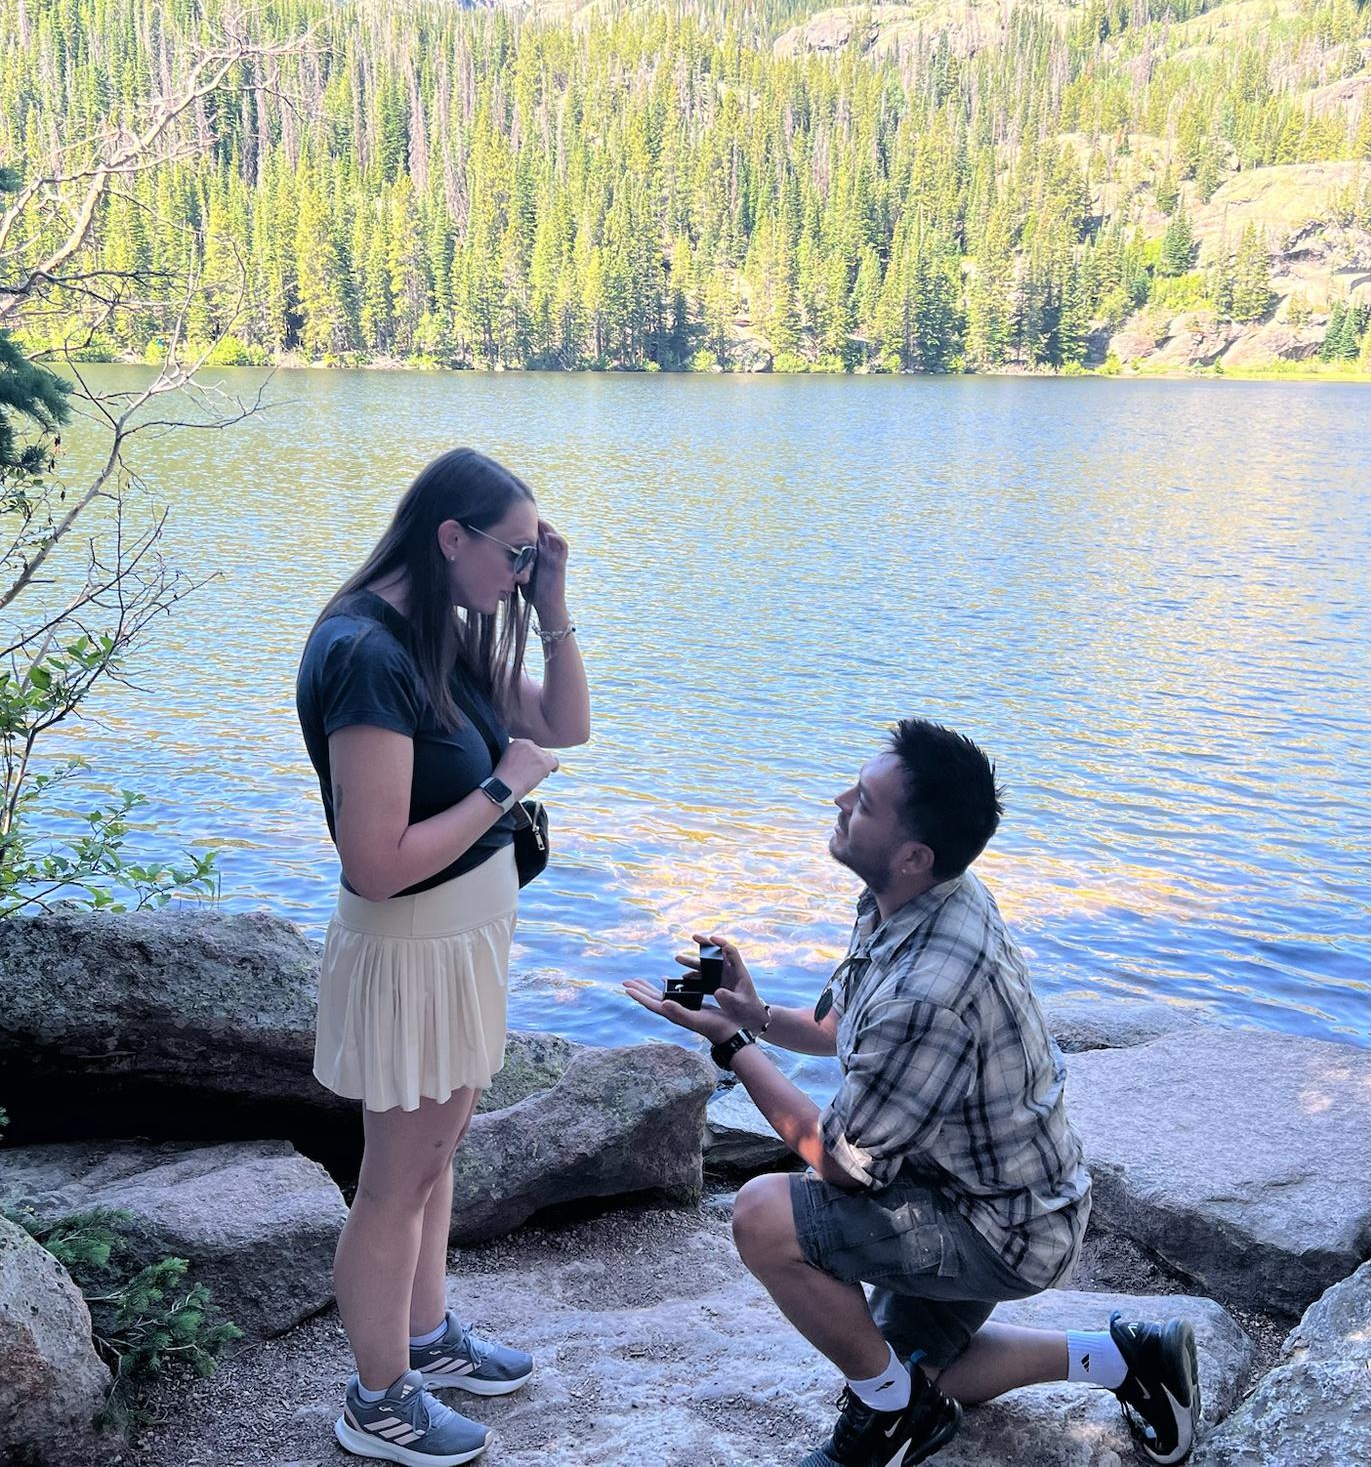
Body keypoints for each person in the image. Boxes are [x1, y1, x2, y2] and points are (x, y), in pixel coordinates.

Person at [625, 720, 1199, 1467]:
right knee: (913, 1371)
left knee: (765, 1216)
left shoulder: (930, 989)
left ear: (913, 854)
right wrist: (753, 1013)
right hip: (986, 1192)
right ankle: (1125, 1357)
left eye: (862, 803)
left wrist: (731, 1048)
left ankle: (890, 1418)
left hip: (998, 1228)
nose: (838, 802)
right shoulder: (918, 898)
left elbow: (838, 1164)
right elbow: (841, 1028)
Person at [297, 447, 590, 1466]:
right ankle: (376, 1398)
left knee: (437, 1156)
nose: (517, 571)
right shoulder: (367, 655)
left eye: (529, 555)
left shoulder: (441, 635)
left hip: (460, 944)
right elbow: (375, 864)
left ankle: (425, 1338)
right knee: (395, 1179)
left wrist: (550, 599)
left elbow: (567, 724)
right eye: (512, 552)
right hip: (413, 948)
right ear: (448, 537)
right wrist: (505, 787)